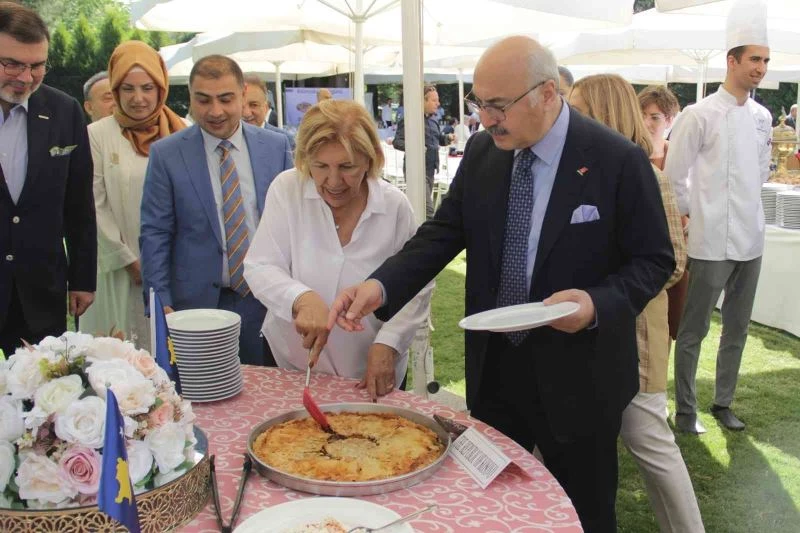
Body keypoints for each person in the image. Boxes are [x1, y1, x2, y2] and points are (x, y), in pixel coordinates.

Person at [328, 36, 675, 532]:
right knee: (489, 508)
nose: (485, 118)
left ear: (548, 93)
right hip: (496, 371)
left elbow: (654, 260)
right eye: (479, 103)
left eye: (498, 105)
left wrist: (596, 304)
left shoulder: (615, 159)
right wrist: (379, 287)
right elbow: (443, 233)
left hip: (580, 379)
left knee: (585, 513)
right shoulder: (484, 152)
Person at [570, 74, 704, 533]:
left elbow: (673, 261)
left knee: (648, 436)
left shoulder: (646, 173)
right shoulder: (587, 170)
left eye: (579, 110)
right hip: (594, 332)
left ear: (603, 114)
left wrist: (607, 291)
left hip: (637, 330)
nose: (569, 120)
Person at [243, 99, 432, 398]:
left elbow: (417, 286)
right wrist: (300, 298)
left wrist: (389, 342)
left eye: (346, 167)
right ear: (306, 160)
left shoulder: (395, 206)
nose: (333, 181)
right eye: (320, 166)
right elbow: (260, 265)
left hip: (371, 368)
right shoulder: (286, 189)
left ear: (369, 161)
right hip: (292, 363)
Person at [140, 55, 293, 365]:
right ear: (190, 98)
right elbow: (155, 233)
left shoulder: (276, 147)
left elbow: (295, 223)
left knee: (269, 395)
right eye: (203, 100)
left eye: (225, 99)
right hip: (196, 306)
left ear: (243, 93)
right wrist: (160, 304)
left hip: (265, 299)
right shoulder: (167, 154)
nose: (215, 111)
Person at [665, 0, 772, 434]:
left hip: (753, 239)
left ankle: (723, 402)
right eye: (754, 60)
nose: (761, 68)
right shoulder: (698, 114)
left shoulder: (763, 117)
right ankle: (686, 410)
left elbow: (760, 174)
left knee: (737, 330)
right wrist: (690, 218)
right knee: (692, 333)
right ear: (732, 60)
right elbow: (673, 179)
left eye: (765, 61)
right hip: (709, 240)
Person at [0, 2, 96, 356]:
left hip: (41, 290)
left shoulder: (64, 110)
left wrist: (83, 279)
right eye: (11, 64)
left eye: (36, 65)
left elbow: (79, 203)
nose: (25, 78)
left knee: (42, 400)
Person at [79, 41, 187, 345]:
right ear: (114, 90)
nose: (138, 98)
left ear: (161, 88)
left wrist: (160, 265)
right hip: (119, 270)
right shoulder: (96, 135)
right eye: (127, 88)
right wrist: (131, 261)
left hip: (173, 268)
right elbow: (93, 203)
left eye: (147, 88)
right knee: (117, 357)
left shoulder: (183, 133)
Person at [637, 85, 688, 343]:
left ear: (669, 120)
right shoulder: (632, 157)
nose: (647, 122)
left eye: (655, 117)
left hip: (678, 255)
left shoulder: (678, 156)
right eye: (643, 114)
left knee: (673, 327)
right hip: (649, 257)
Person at [392, 84, 451, 219]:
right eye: (434, 100)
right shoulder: (410, 120)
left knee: (421, 209)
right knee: (428, 210)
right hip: (416, 169)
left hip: (430, 169)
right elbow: (397, 142)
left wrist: (447, 138)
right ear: (424, 100)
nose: (438, 103)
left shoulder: (433, 120)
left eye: (438, 100)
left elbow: (437, 140)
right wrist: (415, 148)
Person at [242, 74, 295, 150]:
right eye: (241, 106)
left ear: (266, 108)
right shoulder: (225, 141)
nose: (246, 113)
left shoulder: (285, 141)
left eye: (253, 105)